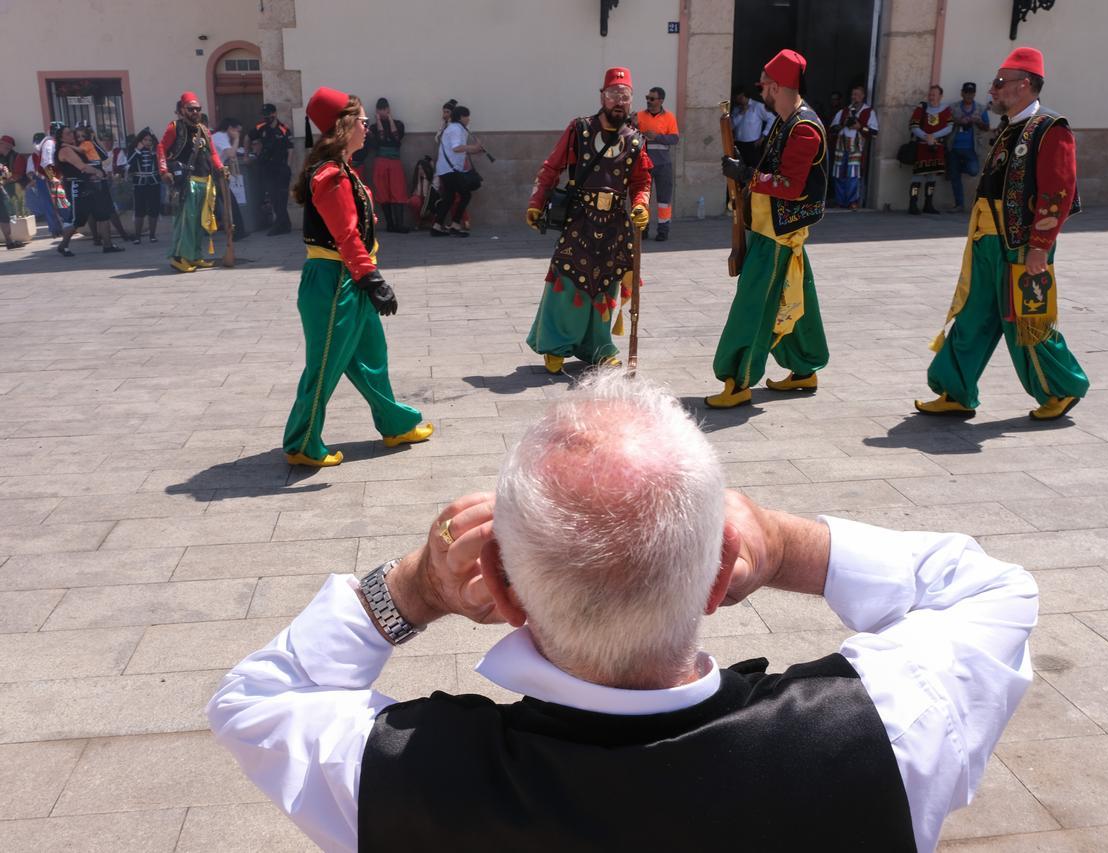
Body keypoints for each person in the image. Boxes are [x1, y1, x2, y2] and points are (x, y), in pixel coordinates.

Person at [209, 370, 1038, 853]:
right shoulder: (882, 731)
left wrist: (417, 586)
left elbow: (257, 698)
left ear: (497, 588)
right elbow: (992, 590)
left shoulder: (401, 778)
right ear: (719, 574)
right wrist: (785, 545)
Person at [917, 47, 1089, 422]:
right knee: (973, 314)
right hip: (987, 240)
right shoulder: (1011, 126)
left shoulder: (1050, 128)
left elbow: (1056, 195)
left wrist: (1039, 249)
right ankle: (956, 390)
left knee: (1025, 319)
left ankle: (1061, 388)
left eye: (999, 83)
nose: (991, 91)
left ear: (1024, 85)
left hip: (1021, 245)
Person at [281, 86, 433, 468]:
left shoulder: (344, 170)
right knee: (326, 364)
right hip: (334, 281)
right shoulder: (331, 175)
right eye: (362, 121)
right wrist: (373, 280)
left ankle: (395, 424)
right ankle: (301, 442)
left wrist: (367, 278)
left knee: (371, 358)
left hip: (348, 278)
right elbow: (345, 235)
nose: (367, 127)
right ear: (344, 126)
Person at [709, 49, 828, 408]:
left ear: (777, 86)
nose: (761, 89)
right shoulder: (785, 118)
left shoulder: (804, 127)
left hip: (778, 233)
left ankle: (738, 378)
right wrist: (745, 168)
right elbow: (773, 168)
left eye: (765, 84)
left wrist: (747, 175)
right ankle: (805, 367)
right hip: (770, 226)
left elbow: (790, 185)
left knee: (753, 306)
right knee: (794, 297)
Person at [523, 66, 652, 373]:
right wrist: (536, 202)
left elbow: (641, 181)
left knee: (606, 285)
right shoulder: (579, 129)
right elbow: (551, 167)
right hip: (580, 219)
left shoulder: (635, 141)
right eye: (613, 95)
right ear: (602, 97)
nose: (618, 102)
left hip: (615, 225)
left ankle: (599, 347)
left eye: (625, 96)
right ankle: (554, 345)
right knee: (566, 280)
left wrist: (641, 205)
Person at [157, 92, 224, 272]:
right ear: (181, 110)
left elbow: (213, 153)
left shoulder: (204, 129)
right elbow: (161, 147)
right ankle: (178, 257)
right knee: (186, 221)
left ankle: (194, 256)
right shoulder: (174, 127)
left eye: (198, 109)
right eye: (191, 109)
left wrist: (220, 168)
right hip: (187, 181)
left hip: (205, 181)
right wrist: (163, 171)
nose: (195, 112)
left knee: (199, 223)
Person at [52, 125, 123, 256]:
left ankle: (107, 245)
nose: (72, 135)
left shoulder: (80, 146)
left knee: (103, 214)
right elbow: (82, 167)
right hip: (77, 187)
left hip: (90, 185)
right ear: (61, 137)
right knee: (78, 219)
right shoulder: (65, 150)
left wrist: (93, 139)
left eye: (71, 133)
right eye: (68, 134)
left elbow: (100, 156)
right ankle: (63, 245)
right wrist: (98, 172)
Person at [635, 85, 679, 241]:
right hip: (644, 164)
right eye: (647, 98)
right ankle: (643, 229)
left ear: (660, 100)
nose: (648, 101)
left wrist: (657, 136)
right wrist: (637, 130)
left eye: (652, 98)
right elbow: (629, 135)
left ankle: (663, 231)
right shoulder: (639, 116)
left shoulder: (669, 117)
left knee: (664, 201)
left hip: (663, 165)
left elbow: (675, 139)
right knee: (643, 199)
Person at [431, 105, 483, 237]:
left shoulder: (456, 128)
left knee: (449, 198)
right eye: (467, 116)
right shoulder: (455, 129)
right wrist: (474, 147)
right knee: (465, 195)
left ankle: (437, 226)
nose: (469, 119)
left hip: (446, 169)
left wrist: (475, 151)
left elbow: (458, 149)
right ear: (461, 117)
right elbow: (457, 148)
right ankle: (455, 225)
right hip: (450, 170)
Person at [361, 97, 410, 233]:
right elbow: (380, 140)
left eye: (385, 109)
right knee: (382, 191)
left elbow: (396, 138)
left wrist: (389, 119)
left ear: (389, 109)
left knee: (398, 190)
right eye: (380, 110)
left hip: (395, 161)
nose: (383, 112)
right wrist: (378, 121)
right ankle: (390, 224)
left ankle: (399, 224)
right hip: (380, 160)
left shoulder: (398, 124)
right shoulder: (373, 128)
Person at [829, 84, 879, 210]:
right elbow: (832, 128)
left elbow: (874, 132)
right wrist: (843, 124)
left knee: (853, 175)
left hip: (856, 148)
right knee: (838, 174)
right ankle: (840, 201)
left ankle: (852, 201)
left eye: (857, 95)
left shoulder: (868, 112)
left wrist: (860, 127)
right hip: (841, 147)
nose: (854, 97)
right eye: (853, 95)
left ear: (862, 96)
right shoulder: (844, 111)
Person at [909, 85, 953, 214]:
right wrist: (925, 136)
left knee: (932, 176)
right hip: (922, 146)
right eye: (930, 94)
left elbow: (949, 127)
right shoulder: (921, 108)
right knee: (917, 176)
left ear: (940, 96)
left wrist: (933, 137)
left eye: (934, 94)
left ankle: (928, 204)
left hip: (936, 147)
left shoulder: (946, 110)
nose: (932, 97)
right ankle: (913, 204)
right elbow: (913, 126)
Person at [946, 82, 991, 213]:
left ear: (974, 94)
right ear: (962, 93)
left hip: (971, 147)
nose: (968, 96)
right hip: (954, 146)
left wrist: (977, 121)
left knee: (974, 170)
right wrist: (957, 121)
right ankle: (959, 204)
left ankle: (961, 168)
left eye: (971, 93)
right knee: (955, 178)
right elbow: (946, 122)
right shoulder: (953, 108)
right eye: (966, 93)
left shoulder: (981, 109)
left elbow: (987, 127)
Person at [254, 103, 294, 235]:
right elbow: (249, 138)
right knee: (273, 197)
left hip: (281, 168)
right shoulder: (260, 127)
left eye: (269, 114)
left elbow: (290, 149)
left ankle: (280, 225)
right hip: (267, 167)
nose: (267, 117)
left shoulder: (283, 129)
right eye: (264, 115)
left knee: (281, 198)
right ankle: (285, 225)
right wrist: (252, 153)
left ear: (275, 113)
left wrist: (287, 166)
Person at [211, 118, 248, 240]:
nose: (238, 133)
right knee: (229, 202)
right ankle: (236, 231)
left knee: (229, 202)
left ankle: (238, 231)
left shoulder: (222, 137)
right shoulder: (220, 137)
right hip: (214, 174)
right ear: (230, 128)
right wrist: (237, 139)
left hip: (217, 172)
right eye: (237, 131)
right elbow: (231, 153)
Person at [126, 128, 161, 244]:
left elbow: (161, 162)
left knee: (153, 209)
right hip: (139, 183)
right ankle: (137, 236)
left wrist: (154, 152)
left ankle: (152, 235)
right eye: (145, 140)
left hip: (153, 182)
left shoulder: (155, 150)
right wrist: (138, 150)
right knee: (139, 210)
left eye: (150, 140)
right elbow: (129, 163)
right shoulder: (134, 150)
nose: (147, 142)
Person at [730, 86, 773, 167]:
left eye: (737, 97)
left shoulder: (757, 106)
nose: (736, 99)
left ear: (743, 95)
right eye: (735, 97)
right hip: (738, 145)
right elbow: (731, 126)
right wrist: (741, 113)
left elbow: (772, 118)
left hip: (753, 145)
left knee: (753, 170)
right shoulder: (736, 109)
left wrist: (763, 136)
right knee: (739, 170)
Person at [0, 135, 26, 249]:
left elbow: (16, 175)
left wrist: (5, 177)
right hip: (4, 187)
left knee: (4, 215)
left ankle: (9, 241)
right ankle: (9, 241)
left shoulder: (17, 157)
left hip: (11, 187)